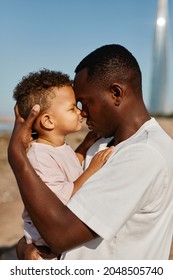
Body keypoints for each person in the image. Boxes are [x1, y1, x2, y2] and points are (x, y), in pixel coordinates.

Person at [8, 44, 173, 260]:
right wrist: (25, 247)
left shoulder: (145, 154)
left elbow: (60, 234)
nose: (82, 113)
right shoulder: (101, 143)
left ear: (116, 93)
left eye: (86, 102)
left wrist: (17, 157)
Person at [12, 69, 113, 259]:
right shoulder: (38, 156)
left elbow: (67, 167)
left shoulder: (59, 147)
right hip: (46, 248)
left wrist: (83, 147)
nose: (80, 112)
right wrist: (91, 170)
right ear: (49, 121)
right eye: (72, 108)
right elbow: (62, 198)